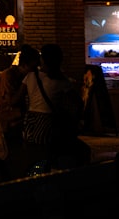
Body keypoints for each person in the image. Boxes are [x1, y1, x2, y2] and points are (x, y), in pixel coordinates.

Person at [20, 43, 88, 173]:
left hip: (31, 121)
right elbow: (78, 103)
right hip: (49, 123)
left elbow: (17, 99)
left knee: (34, 155)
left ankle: (33, 178)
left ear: (43, 59)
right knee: (49, 154)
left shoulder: (30, 76)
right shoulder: (62, 81)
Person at [0, 44, 40, 180]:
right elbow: (11, 101)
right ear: (25, 65)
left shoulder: (20, 77)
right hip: (9, 122)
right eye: (33, 67)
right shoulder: (8, 76)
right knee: (11, 154)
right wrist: (25, 87)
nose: (36, 70)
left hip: (17, 122)